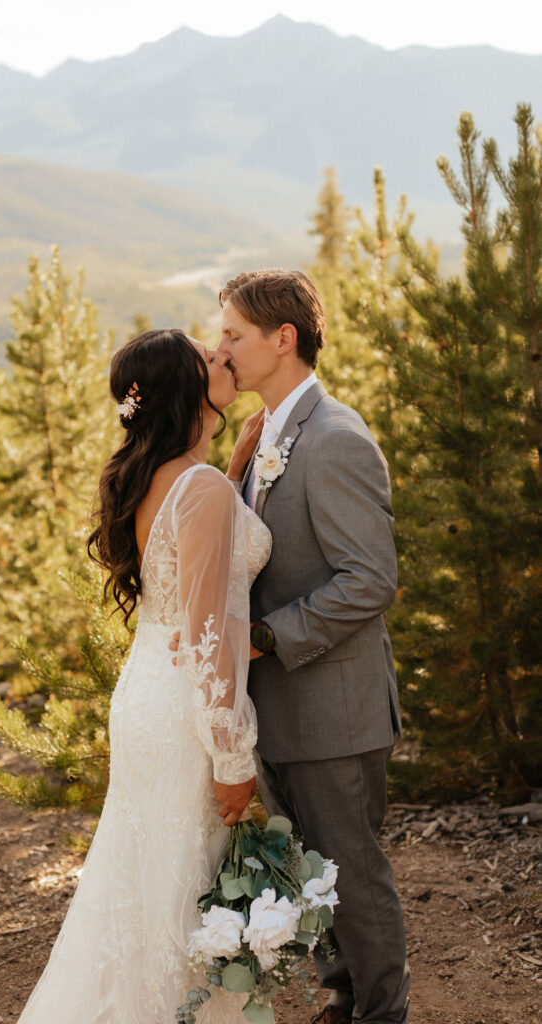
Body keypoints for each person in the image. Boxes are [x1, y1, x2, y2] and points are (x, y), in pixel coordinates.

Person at [14, 329, 271, 1024]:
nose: (222, 357)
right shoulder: (200, 489)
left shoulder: (162, 478)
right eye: (208, 358)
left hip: (145, 696)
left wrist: (234, 464)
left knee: (141, 885)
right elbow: (211, 636)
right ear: (188, 390)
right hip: (189, 709)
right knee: (182, 897)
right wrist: (232, 755)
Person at [216, 270, 410, 1024]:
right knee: (308, 870)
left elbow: (370, 579)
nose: (222, 349)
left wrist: (266, 637)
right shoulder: (264, 435)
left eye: (233, 335)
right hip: (279, 706)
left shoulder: (332, 439)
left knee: (352, 876)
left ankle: (382, 1014)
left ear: (281, 339)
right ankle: (342, 996)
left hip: (335, 706)